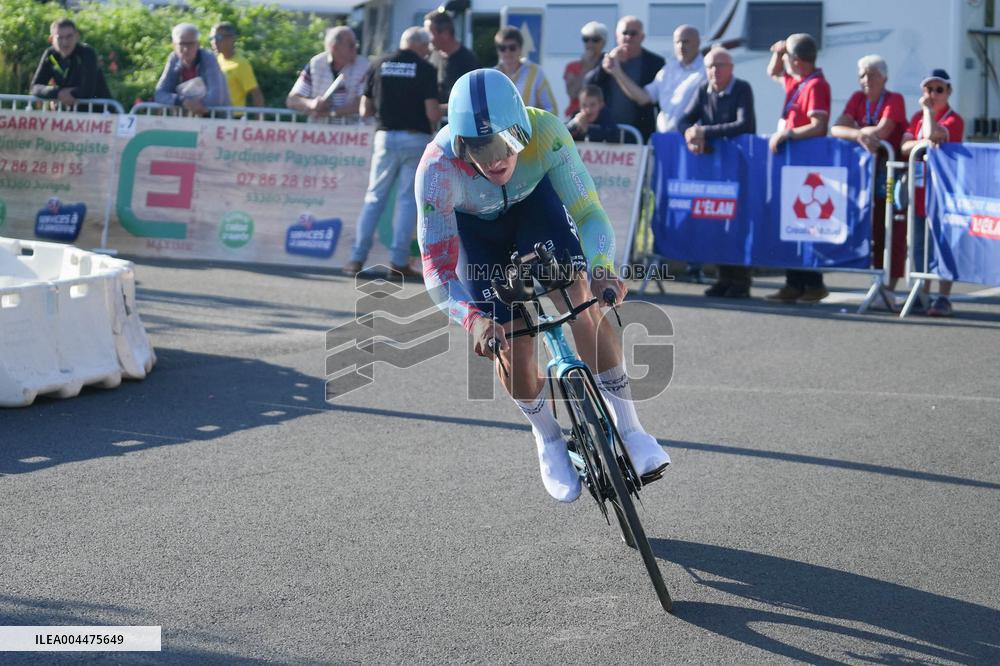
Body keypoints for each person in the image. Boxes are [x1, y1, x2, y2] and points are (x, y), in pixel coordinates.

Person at [415, 69, 671, 502]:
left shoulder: (548, 131)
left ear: (523, 126)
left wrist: (603, 265)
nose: (497, 159)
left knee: (580, 297)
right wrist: (472, 320)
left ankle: (631, 429)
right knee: (511, 339)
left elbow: (589, 212)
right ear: (460, 145)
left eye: (508, 141)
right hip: (480, 234)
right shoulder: (437, 171)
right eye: (481, 148)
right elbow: (437, 268)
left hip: (536, 207)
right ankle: (549, 438)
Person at [344, 27, 441, 279]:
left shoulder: (379, 64)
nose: (428, 51)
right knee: (408, 200)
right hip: (414, 138)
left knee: (374, 197)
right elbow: (432, 113)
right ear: (419, 45)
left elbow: (366, 109)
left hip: (385, 137)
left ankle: (356, 258)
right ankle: (398, 262)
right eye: (426, 47)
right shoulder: (426, 69)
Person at [678, 46, 756, 298]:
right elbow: (682, 120)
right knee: (719, 222)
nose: (714, 71)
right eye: (710, 66)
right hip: (715, 170)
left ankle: (741, 280)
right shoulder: (703, 90)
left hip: (739, 167)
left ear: (731, 68)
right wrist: (691, 135)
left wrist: (705, 132)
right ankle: (724, 278)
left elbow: (745, 124)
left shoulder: (742, 88)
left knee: (738, 222)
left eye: (720, 66)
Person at [831, 55, 908, 303]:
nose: (866, 80)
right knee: (873, 226)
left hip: (892, 172)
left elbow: (883, 131)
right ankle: (876, 280)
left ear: (884, 77)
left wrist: (860, 134)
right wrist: (859, 135)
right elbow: (836, 128)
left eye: (872, 74)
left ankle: (890, 287)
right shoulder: (857, 99)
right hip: (869, 172)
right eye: (862, 75)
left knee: (893, 229)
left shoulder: (894, 99)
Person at [764, 33, 832, 304]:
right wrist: (779, 53)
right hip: (792, 165)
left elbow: (819, 126)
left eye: (789, 59)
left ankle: (814, 284)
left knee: (807, 224)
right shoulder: (799, 81)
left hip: (807, 166)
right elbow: (773, 72)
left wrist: (788, 134)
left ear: (798, 61)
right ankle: (793, 283)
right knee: (791, 226)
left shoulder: (816, 85)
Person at [900, 69, 965, 317]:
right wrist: (922, 142)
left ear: (948, 92)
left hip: (943, 193)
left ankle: (943, 296)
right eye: (929, 89)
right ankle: (922, 293)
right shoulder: (916, 116)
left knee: (943, 245)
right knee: (918, 245)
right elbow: (905, 146)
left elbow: (933, 135)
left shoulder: (954, 119)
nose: (933, 94)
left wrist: (928, 114)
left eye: (939, 90)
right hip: (918, 191)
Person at [584, 16, 665, 141]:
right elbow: (588, 85)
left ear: (642, 37)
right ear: (617, 36)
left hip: (638, 133)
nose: (628, 37)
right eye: (624, 33)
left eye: (633, 33)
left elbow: (653, 100)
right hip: (607, 132)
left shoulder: (655, 62)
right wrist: (604, 67)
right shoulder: (607, 58)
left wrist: (617, 71)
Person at [286, 26, 368, 120]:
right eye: (351, 45)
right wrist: (312, 104)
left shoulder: (364, 66)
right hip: (321, 132)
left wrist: (331, 113)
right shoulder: (316, 64)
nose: (355, 48)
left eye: (356, 44)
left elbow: (363, 103)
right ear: (334, 48)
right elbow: (292, 100)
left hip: (354, 132)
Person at [30, 18, 112, 107]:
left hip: (100, 115)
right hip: (69, 117)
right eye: (60, 38)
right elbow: (35, 87)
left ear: (77, 36)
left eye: (69, 37)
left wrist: (63, 94)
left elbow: (87, 90)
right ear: (51, 39)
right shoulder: (50, 55)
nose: (65, 43)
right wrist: (57, 93)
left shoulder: (87, 53)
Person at [154, 23, 229, 113]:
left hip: (215, 119)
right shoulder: (173, 59)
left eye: (190, 44)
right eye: (181, 44)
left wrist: (195, 105)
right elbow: (159, 94)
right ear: (174, 45)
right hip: (185, 121)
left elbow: (217, 97)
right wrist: (182, 101)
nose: (186, 49)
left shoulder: (209, 58)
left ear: (198, 44)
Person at [423, 10, 480, 115]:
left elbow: (471, 101)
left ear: (445, 33)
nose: (427, 39)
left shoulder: (468, 60)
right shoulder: (431, 56)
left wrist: (436, 110)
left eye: (429, 33)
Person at [494, 27, 558, 115]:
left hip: (530, 128)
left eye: (512, 48)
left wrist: (535, 121)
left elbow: (551, 109)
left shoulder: (535, 72)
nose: (507, 52)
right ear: (498, 51)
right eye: (502, 48)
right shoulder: (492, 76)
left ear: (520, 49)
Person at [210, 22, 264, 108]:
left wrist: (259, 120)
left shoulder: (241, 64)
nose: (214, 42)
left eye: (218, 38)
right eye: (212, 38)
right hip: (217, 115)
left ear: (231, 39)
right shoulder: (215, 60)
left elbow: (256, 94)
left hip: (234, 117)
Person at [563, 21, 607, 120]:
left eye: (595, 40)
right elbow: (572, 93)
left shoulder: (608, 65)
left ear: (603, 42)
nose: (590, 44)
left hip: (602, 117)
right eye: (586, 39)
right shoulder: (572, 66)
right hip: (576, 116)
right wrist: (586, 67)